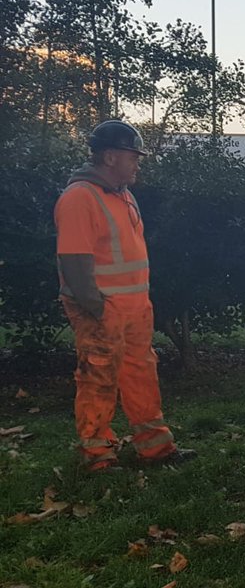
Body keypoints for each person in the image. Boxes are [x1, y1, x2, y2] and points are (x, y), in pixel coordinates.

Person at [54, 120, 193, 471]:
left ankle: (156, 447)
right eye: (134, 156)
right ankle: (97, 454)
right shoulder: (78, 198)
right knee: (98, 377)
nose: (138, 163)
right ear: (110, 156)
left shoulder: (124, 196)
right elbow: (74, 262)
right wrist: (97, 309)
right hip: (103, 310)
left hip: (133, 308)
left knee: (141, 374)